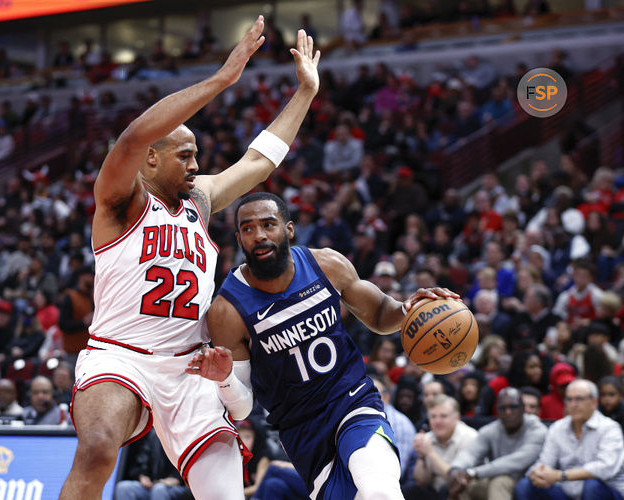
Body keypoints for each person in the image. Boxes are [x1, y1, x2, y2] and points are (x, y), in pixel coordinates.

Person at [61, 19, 321, 500]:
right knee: (97, 449)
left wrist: (305, 92)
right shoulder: (121, 200)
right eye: (185, 154)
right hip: (121, 358)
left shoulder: (198, 201)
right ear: (152, 159)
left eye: (197, 154)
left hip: (191, 369)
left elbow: (258, 163)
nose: (197, 165)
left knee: (222, 492)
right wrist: (222, 80)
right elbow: (134, 136)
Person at [187, 193, 459, 499]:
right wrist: (224, 379)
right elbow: (242, 408)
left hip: (352, 400)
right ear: (238, 239)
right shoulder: (227, 310)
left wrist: (408, 309)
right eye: (248, 229)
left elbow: (381, 313)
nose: (259, 235)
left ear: (289, 229)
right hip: (303, 431)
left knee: (379, 490)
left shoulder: (326, 264)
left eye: (268, 224)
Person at [515, 379, 624, 500]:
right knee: (525, 485)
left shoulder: (609, 428)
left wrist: (560, 475)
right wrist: (537, 473)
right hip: (567, 492)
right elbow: (545, 461)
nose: (573, 404)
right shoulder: (558, 428)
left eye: (579, 399)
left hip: (604, 490)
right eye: (569, 399)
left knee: (591, 486)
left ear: (594, 402)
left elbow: (605, 468)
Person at [448, 388, 547, 500]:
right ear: (497, 410)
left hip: (527, 482)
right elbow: (471, 453)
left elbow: (514, 462)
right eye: (502, 408)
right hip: (495, 477)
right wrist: (456, 468)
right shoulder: (492, 429)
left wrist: (473, 472)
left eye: (513, 407)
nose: (508, 412)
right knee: (463, 484)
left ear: (523, 408)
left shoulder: (537, 429)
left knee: (500, 482)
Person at [404, 395, 478, 500]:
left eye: (443, 416)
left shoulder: (470, 437)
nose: (437, 421)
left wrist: (430, 453)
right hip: (436, 491)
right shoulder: (427, 438)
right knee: (410, 490)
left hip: (464, 491)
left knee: (448, 490)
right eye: (433, 417)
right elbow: (421, 481)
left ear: (457, 417)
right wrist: (421, 456)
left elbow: (457, 480)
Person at [114, 428, 192, 500]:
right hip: (153, 485)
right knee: (123, 488)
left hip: (175, 487)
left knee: (159, 489)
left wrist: (177, 480)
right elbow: (142, 461)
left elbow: (185, 471)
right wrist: (143, 476)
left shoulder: (182, 438)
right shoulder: (153, 436)